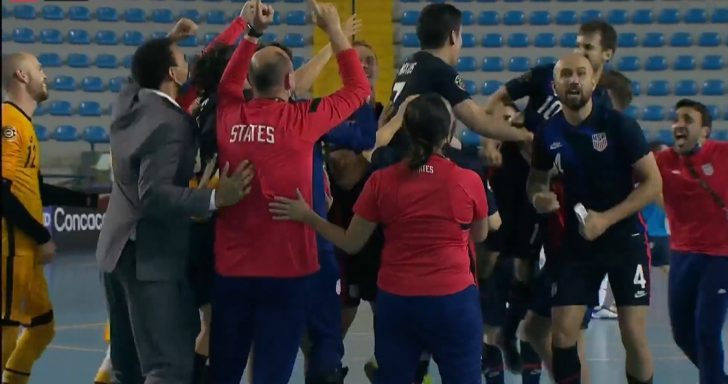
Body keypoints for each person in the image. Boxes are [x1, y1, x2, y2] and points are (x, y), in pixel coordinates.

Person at [270, 93, 489, 383]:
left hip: (398, 302)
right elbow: (480, 232)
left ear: (406, 131)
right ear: (449, 133)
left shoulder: (382, 180)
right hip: (453, 302)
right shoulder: (468, 179)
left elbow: (350, 242)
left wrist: (308, 216)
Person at [210, 0, 369, 382]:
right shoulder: (303, 120)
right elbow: (359, 89)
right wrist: (333, 29)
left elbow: (227, 84)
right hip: (286, 273)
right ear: (289, 83)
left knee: (224, 371)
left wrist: (251, 34)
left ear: (251, 83)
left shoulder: (230, 116)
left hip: (232, 272)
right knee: (272, 372)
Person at [95, 19, 253, 383]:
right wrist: (216, 196)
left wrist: (170, 39)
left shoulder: (127, 104)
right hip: (151, 257)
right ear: (172, 73)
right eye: (182, 58)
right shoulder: (173, 124)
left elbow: (139, 75)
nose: (189, 65)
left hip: (115, 252)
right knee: (168, 366)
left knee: (127, 366)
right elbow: (156, 194)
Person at [482, 20, 619, 374]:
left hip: (546, 188)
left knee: (530, 264)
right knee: (492, 257)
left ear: (606, 55)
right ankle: (495, 334)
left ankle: (511, 334)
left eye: (588, 48)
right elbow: (498, 99)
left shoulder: (600, 104)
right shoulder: (548, 74)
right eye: (578, 44)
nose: (580, 52)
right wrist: (491, 138)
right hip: (512, 177)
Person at [527, 53, 661, 384]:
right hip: (577, 245)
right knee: (562, 335)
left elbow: (652, 182)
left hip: (624, 241)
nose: (574, 79)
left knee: (632, 332)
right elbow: (536, 180)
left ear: (593, 81)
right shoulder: (548, 133)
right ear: (555, 86)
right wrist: (538, 197)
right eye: (566, 74)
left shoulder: (619, 126)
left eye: (581, 73)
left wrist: (606, 219)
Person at [1, 52, 104, 384]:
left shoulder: (25, 126)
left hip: (27, 250)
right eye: (39, 68)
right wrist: (42, 235)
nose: (45, 74)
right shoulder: (9, 124)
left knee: (42, 328)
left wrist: (90, 200)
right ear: (21, 75)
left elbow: (37, 189)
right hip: (11, 247)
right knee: (5, 335)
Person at [384, 3, 532, 154]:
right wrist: (526, 135)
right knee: (476, 168)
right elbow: (478, 121)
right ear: (453, 36)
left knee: (466, 151)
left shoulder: (410, 63)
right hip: (414, 156)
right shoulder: (439, 70)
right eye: (460, 35)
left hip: (397, 150)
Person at [655, 98, 727, 384]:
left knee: (707, 332)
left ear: (705, 131)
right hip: (682, 255)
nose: (679, 125)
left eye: (687, 119)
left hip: (720, 257)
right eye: (677, 119)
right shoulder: (663, 161)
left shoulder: (723, 154)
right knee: (682, 334)